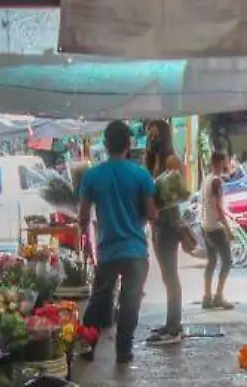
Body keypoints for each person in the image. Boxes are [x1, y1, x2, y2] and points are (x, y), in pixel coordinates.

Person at [78, 120, 158, 365]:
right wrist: (138, 221)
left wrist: (89, 250)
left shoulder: (92, 176)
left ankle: (87, 347)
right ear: (129, 144)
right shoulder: (141, 174)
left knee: (99, 300)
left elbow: (83, 217)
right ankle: (123, 352)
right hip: (135, 250)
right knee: (130, 302)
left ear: (105, 143)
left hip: (108, 251)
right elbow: (152, 214)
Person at [148, 154, 194, 346]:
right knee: (168, 277)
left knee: (170, 276)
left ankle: (174, 325)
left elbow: (181, 195)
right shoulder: (165, 176)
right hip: (163, 226)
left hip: (166, 226)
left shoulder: (169, 176)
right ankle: (171, 322)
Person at [200, 151, 236, 310]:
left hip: (206, 226)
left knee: (212, 262)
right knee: (227, 262)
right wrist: (228, 230)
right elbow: (218, 208)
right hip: (216, 228)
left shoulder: (206, 179)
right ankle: (218, 296)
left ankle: (207, 296)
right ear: (218, 163)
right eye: (225, 161)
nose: (227, 165)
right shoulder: (216, 182)